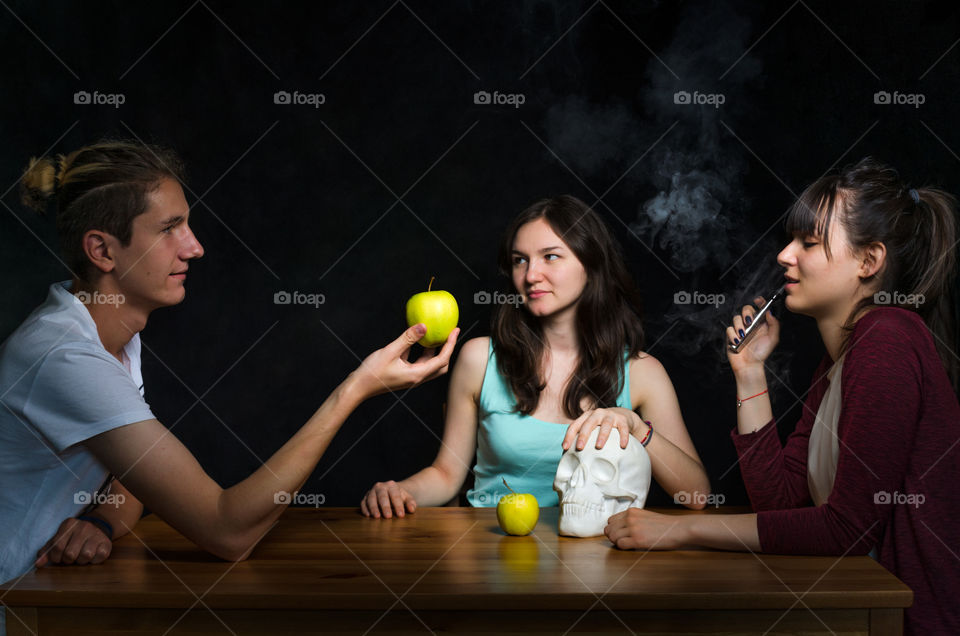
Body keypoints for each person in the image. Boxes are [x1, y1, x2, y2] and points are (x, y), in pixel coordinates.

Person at [0, 141, 458, 589]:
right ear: (102, 251)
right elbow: (228, 531)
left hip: (46, 600)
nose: (195, 247)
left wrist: (100, 522)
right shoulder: (66, 358)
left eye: (188, 225)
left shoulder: (107, 335)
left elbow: (132, 480)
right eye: (169, 229)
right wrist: (355, 389)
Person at [603, 158, 960, 634]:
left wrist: (680, 528)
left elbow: (845, 529)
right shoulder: (839, 361)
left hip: (907, 620)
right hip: (856, 610)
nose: (784, 255)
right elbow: (780, 505)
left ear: (869, 261)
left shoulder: (888, 337)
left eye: (809, 243)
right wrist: (750, 374)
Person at [361, 195, 710, 517]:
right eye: (520, 261)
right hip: (489, 552)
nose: (530, 276)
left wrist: (638, 429)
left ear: (591, 265)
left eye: (551, 256)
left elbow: (695, 497)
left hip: (599, 560)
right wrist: (400, 491)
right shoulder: (479, 358)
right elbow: (447, 475)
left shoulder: (643, 371)